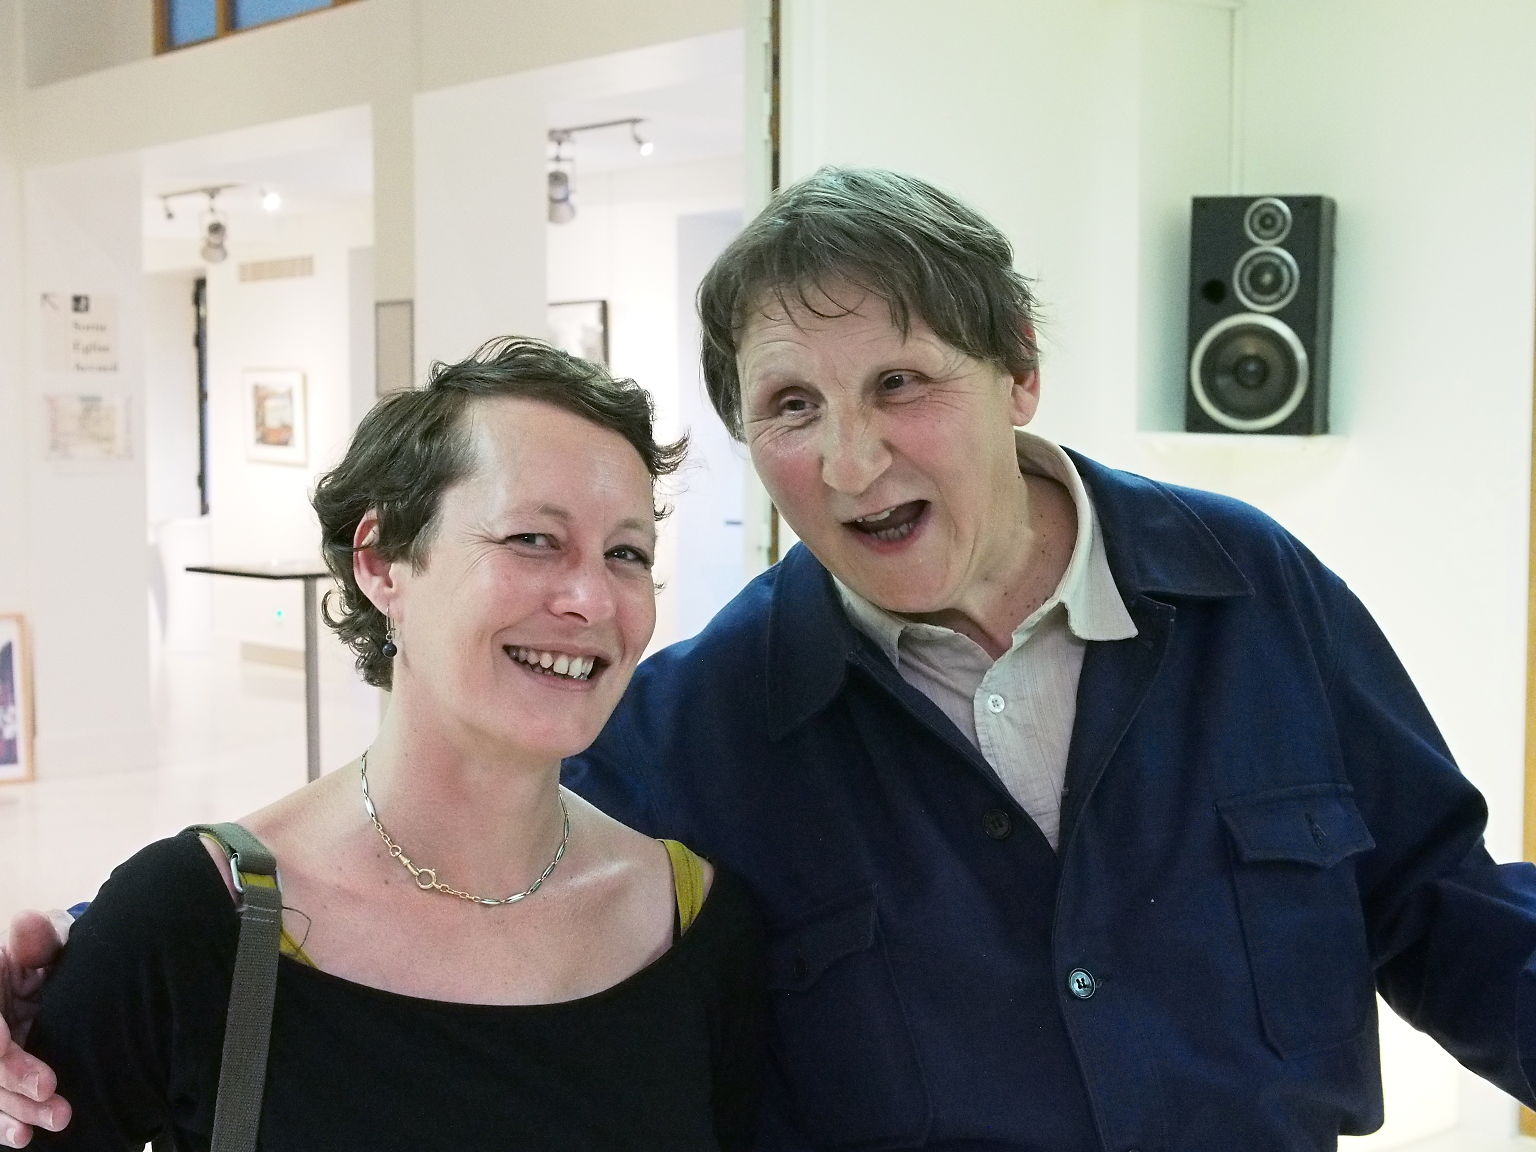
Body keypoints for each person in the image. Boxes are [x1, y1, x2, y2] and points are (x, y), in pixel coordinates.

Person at [5, 166, 1536, 1149]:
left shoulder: (1251, 592)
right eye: (793, 408)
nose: (853, 458)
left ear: (1017, 375)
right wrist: (81, 965)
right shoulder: (703, 721)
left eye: (903, 383)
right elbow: (434, 853)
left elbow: (1439, 901)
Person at [0, 337, 766, 1150]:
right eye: (533, 540)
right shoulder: (192, 923)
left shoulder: (693, 925)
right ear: (382, 561)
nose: (592, 599)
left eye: (626, 554)